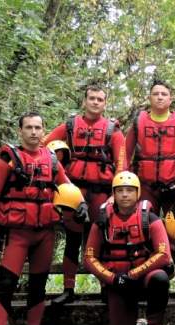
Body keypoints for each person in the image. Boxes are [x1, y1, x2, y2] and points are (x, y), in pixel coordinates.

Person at [0, 112, 76, 325]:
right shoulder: (8, 159)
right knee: (6, 285)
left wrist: (81, 205)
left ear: (44, 131)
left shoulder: (52, 160)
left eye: (38, 128)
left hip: (44, 233)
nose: (34, 132)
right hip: (18, 234)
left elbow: (68, 189)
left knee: (38, 285)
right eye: (29, 128)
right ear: (20, 131)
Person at [44, 84, 127, 305]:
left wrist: (115, 195)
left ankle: (104, 288)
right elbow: (44, 149)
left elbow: (122, 163)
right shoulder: (69, 126)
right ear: (85, 101)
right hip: (73, 192)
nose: (95, 102)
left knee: (100, 241)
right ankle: (68, 289)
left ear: (105, 103)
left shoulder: (113, 130)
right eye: (92, 98)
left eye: (100, 99)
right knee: (72, 240)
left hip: (101, 193)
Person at [84, 171, 172, 325]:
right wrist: (113, 279)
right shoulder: (102, 222)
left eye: (130, 190)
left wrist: (133, 274)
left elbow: (164, 254)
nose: (125, 194)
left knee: (161, 278)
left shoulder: (150, 218)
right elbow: (90, 258)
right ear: (113, 194)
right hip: (117, 281)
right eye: (120, 190)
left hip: (143, 278)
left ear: (138, 193)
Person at [125, 79, 175, 301]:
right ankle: (146, 282)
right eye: (155, 94)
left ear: (170, 98)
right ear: (150, 97)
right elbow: (124, 155)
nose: (160, 97)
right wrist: (123, 185)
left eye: (164, 94)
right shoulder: (138, 122)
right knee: (143, 235)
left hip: (173, 189)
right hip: (145, 187)